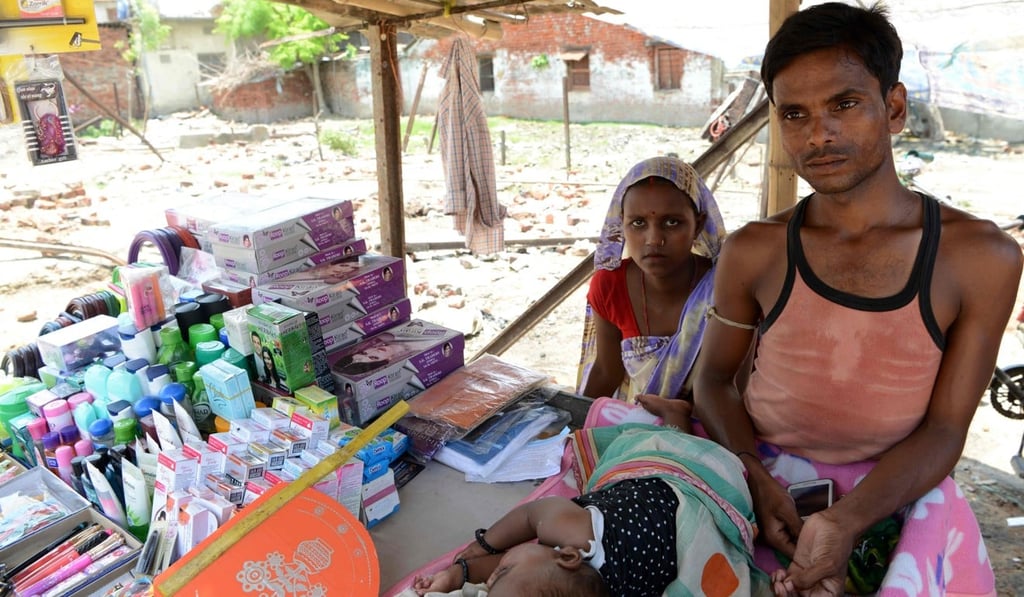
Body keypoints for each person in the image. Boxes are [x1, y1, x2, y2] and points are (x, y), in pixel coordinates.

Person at [693, 4, 1023, 596]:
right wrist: (751, 474)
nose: (818, 134)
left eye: (844, 104)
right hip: (757, 476)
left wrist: (846, 520)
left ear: (893, 108)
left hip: (896, 489)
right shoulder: (755, 250)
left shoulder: (980, 258)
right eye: (795, 114)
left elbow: (947, 429)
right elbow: (715, 383)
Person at [408, 424, 769, 596]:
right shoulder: (575, 540)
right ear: (567, 557)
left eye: (496, 575)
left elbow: (531, 527)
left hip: (672, 480)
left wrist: (474, 556)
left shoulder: (574, 542)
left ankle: (673, 418)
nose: (487, 580)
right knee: (623, 446)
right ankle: (674, 418)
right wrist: (475, 559)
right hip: (683, 491)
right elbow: (530, 541)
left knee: (624, 447)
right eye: (496, 575)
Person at [577, 156, 728, 428]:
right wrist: (576, 431)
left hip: (716, 428)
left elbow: (734, 385)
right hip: (643, 424)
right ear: (621, 224)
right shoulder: (610, 286)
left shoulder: (724, 286)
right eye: (638, 223)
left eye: (672, 223)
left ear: (698, 223)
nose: (654, 239)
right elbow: (606, 371)